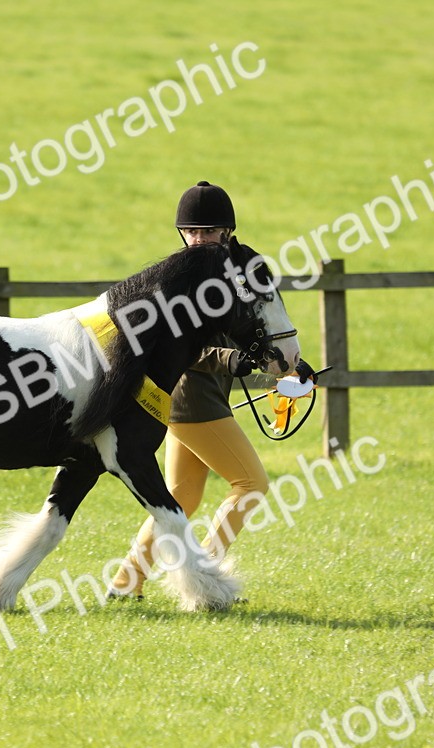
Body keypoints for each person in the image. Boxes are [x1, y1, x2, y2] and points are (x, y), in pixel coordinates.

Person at [107, 181, 312, 599]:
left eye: (209, 231)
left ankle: (127, 582)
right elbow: (179, 345)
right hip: (190, 398)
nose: (200, 239)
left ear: (228, 232)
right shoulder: (182, 279)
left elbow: (254, 328)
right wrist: (232, 361)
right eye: (193, 231)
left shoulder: (237, 271)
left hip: (203, 398)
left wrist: (287, 364)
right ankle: (206, 575)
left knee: (181, 496)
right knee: (252, 483)